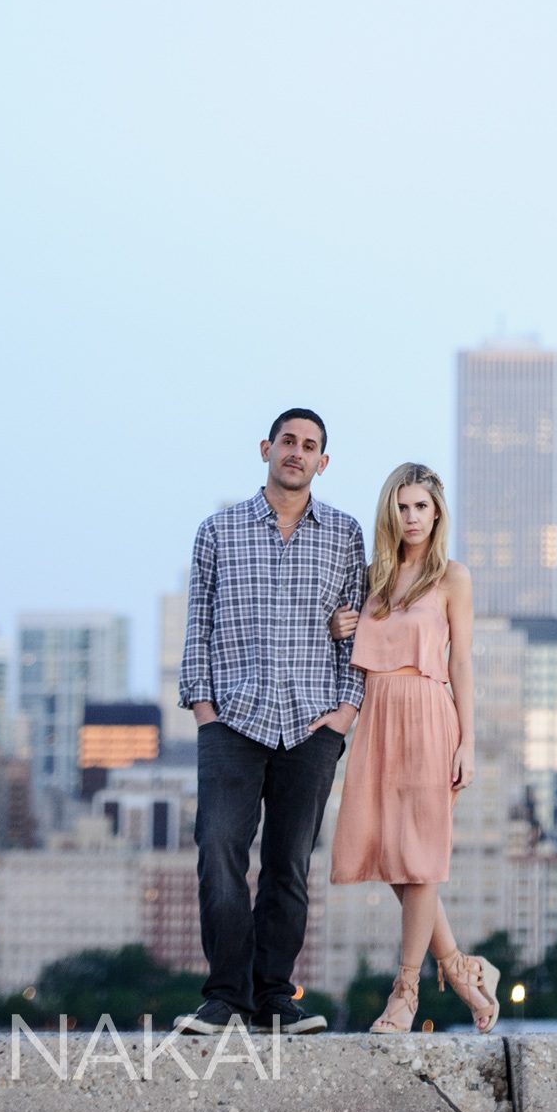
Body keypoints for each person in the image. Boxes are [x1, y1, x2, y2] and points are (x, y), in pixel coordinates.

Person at [174, 407, 365, 1034]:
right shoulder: (219, 531)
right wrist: (204, 710)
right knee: (219, 853)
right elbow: (196, 624)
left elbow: (357, 632)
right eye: (288, 441)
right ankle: (226, 998)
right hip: (231, 721)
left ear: (323, 462)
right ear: (266, 449)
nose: (297, 452)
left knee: (289, 866)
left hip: (311, 725)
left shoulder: (344, 535)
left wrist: (346, 711)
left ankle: (275, 999)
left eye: (310, 446)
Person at [328, 462, 499, 1033]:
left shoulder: (452, 577)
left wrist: (468, 744)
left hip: (429, 716)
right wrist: (336, 629)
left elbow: (461, 663)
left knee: (420, 858)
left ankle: (406, 992)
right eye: (402, 507)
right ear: (390, 512)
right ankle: (464, 972)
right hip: (378, 717)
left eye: (421, 506)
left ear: (437, 511)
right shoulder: (371, 577)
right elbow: (348, 640)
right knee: (393, 855)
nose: (411, 517)